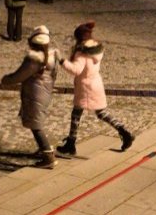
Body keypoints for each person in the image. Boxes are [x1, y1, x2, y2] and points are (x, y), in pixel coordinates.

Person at [57, 20, 135, 155]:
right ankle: (124, 132)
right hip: (96, 83)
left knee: (77, 114)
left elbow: (76, 70)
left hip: (85, 87)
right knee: (100, 113)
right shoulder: (97, 49)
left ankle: (71, 143)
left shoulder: (82, 53)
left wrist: (61, 60)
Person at [1, 25, 61, 169]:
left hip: (34, 95)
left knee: (36, 125)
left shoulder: (34, 60)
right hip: (44, 93)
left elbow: (19, 75)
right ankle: (45, 150)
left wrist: (6, 79)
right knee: (37, 122)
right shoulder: (52, 57)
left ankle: (48, 156)